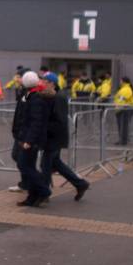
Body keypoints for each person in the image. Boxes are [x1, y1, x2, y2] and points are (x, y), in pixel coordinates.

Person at [41, 72, 90, 202]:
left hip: (54, 138)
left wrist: (45, 127)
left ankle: (44, 193)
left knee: (45, 164)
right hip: (54, 137)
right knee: (56, 163)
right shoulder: (53, 96)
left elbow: (59, 120)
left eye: (44, 81)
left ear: (51, 83)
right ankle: (80, 184)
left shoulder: (58, 97)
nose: (42, 83)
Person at [11, 71, 52, 207]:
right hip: (24, 137)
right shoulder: (28, 95)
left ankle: (44, 190)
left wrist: (29, 140)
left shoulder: (36, 99)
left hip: (31, 140)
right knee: (27, 166)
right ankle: (32, 196)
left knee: (24, 165)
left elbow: (36, 122)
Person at [114, 76, 133, 145]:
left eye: (120, 81)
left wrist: (118, 108)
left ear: (123, 81)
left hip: (124, 109)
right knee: (123, 125)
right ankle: (122, 140)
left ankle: (123, 141)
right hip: (124, 109)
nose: (120, 82)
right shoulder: (125, 89)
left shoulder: (126, 89)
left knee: (123, 126)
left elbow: (121, 100)